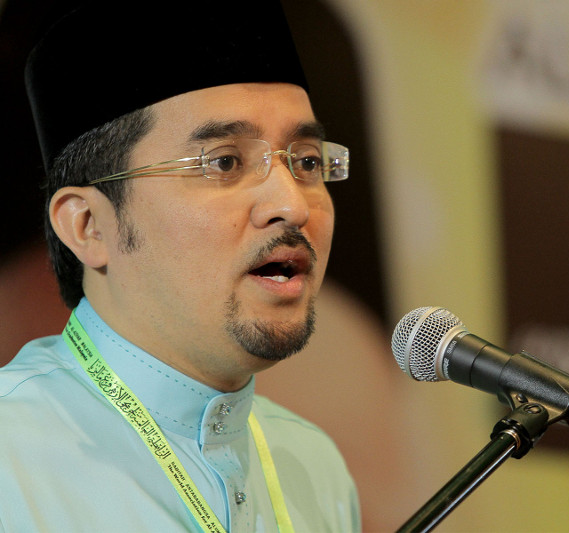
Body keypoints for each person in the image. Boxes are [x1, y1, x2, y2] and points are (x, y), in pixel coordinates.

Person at [0, 0, 361, 531]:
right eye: (224, 162)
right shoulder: (13, 453)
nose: (293, 204)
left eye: (306, 161)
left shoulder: (315, 467)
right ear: (88, 226)